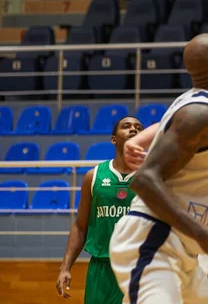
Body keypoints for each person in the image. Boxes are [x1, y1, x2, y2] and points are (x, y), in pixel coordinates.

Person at [108, 34, 208, 304]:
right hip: (154, 243)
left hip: (179, 250)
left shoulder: (201, 108)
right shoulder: (199, 113)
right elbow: (144, 180)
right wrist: (204, 235)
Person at [56, 116, 144, 304]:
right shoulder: (93, 176)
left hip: (140, 268)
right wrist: (65, 267)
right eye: (126, 126)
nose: (133, 130)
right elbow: (80, 227)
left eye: (138, 127)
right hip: (101, 270)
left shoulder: (152, 176)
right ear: (114, 139)